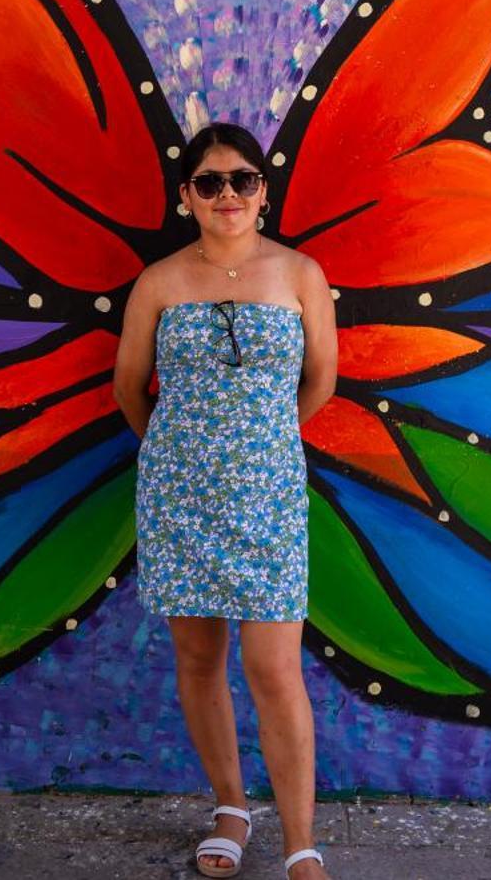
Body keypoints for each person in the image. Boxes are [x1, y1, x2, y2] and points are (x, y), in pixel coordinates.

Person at [113, 122, 339, 880]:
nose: (228, 194)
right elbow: (128, 386)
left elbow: (322, 382)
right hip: (179, 497)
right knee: (200, 656)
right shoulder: (160, 282)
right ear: (187, 197)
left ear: (263, 190)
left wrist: (261, 441)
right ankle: (231, 807)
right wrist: (177, 450)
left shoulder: (301, 273)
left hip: (270, 498)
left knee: (274, 666)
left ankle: (300, 839)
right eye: (209, 182)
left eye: (242, 178)